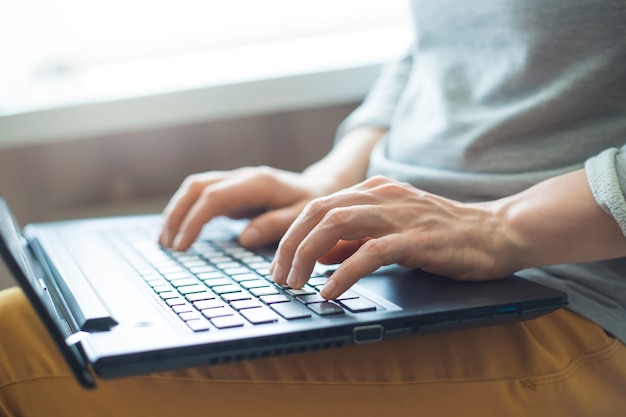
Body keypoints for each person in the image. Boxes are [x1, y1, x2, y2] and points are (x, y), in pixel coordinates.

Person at [1, 1, 626, 416]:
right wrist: (334, 177)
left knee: (12, 349)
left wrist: (503, 226)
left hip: (579, 297)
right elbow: (441, 48)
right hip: (405, 251)